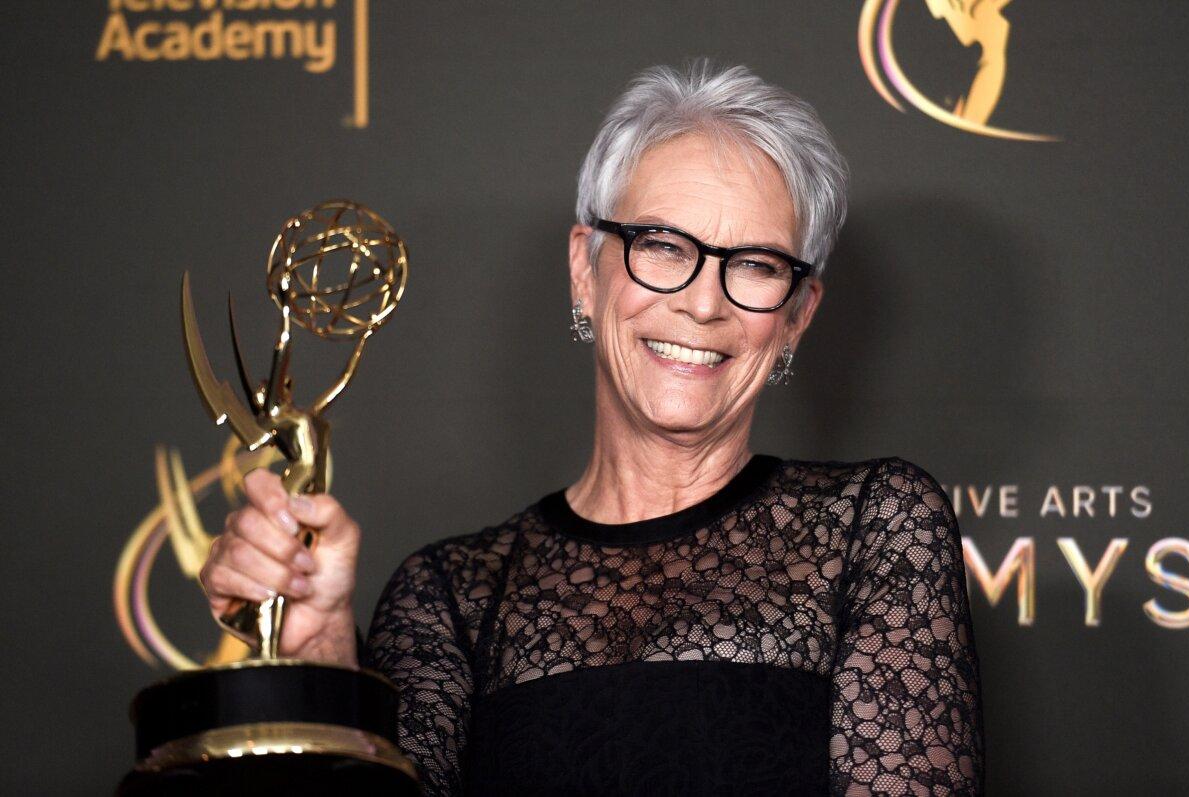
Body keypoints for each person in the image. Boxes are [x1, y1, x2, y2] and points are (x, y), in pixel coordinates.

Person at [198, 61, 985, 796]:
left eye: (753, 265)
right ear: (586, 269)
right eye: (663, 246)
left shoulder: (871, 527)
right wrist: (322, 655)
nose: (703, 303)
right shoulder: (453, 595)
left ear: (796, 316)